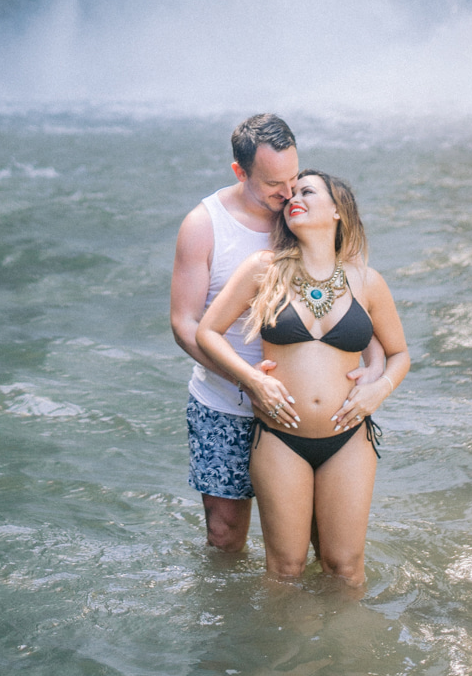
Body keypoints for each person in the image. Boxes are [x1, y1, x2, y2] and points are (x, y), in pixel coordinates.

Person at [170, 115, 385, 552]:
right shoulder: (204, 225)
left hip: (310, 417)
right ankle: (230, 619)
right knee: (226, 534)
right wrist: (249, 381)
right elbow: (185, 325)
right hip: (226, 403)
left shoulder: (301, 216)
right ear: (240, 172)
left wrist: (377, 376)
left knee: (320, 540)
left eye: (294, 177)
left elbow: (361, 313)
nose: (287, 193)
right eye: (274, 184)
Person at [196, 170, 409, 587]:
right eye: (292, 193)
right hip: (279, 436)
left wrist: (379, 389)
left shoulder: (367, 281)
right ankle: (285, 652)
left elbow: (400, 353)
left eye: (307, 192)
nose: (294, 197)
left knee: (345, 568)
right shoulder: (265, 269)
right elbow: (207, 331)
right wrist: (250, 379)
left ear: (337, 210)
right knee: (285, 570)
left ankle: (347, 652)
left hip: (348, 436)